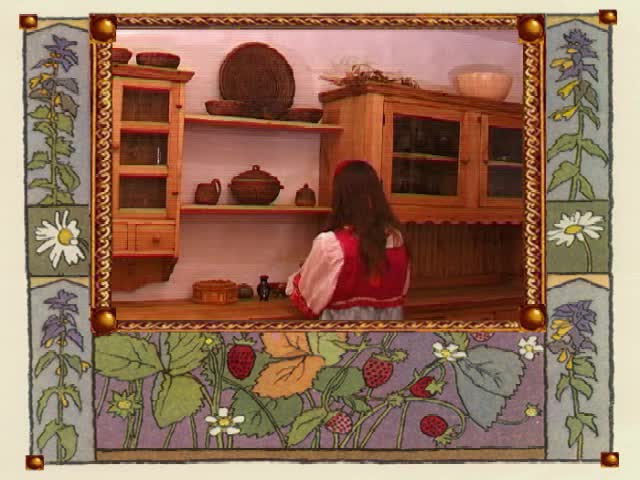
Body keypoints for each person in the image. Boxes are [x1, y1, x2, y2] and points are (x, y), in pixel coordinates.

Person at [286, 160, 411, 320]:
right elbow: (402, 292)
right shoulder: (398, 239)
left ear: (340, 197)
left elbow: (308, 301)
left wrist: (297, 278)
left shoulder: (331, 244)